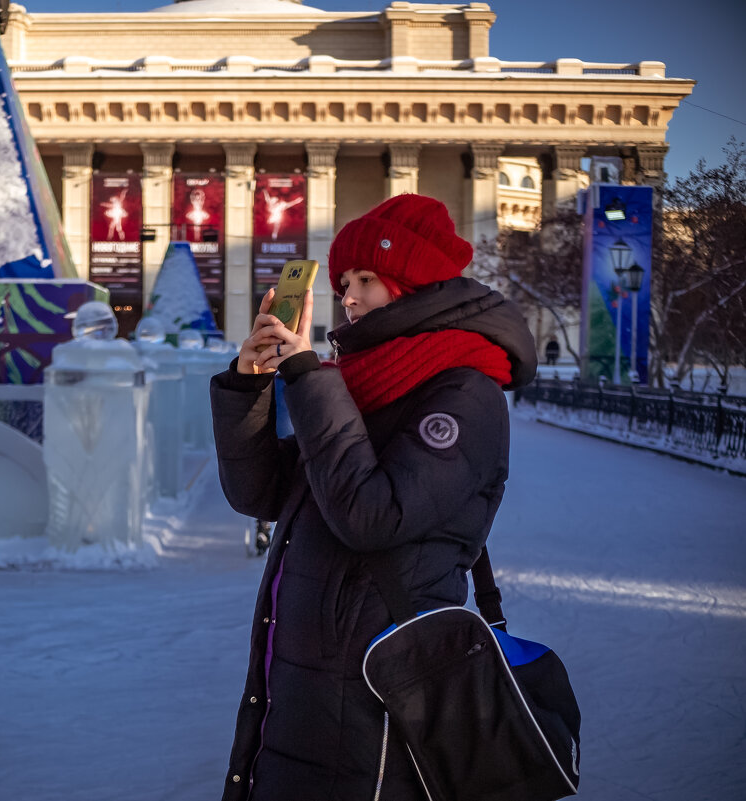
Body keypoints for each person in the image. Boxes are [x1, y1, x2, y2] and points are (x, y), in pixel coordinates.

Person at [209, 193, 537, 800]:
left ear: (412, 286)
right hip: (307, 679)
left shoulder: (464, 391)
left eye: (367, 279)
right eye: (342, 282)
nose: (349, 297)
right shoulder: (361, 380)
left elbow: (373, 516)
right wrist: (246, 389)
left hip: (381, 689)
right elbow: (260, 491)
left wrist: (311, 380)